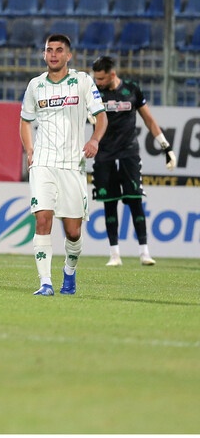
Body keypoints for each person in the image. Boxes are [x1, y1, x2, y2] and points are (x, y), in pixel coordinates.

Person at [19, 34, 107, 296]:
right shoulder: (36, 86)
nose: (54, 54)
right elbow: (25, 120)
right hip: (43, 162)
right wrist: (30, 149)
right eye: (49, 50)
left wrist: (94, 139)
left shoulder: (82, 82)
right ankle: (45, 282)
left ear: (69, 56)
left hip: (72, 164)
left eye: (59, 50)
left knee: (73, 231)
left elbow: (101, 117)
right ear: (44, 55)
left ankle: (69, 271)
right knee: (42, 219)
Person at [90, 56, 176, 267]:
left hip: (128, 153)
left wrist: (166, 146)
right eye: (96, 78)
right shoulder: (93, 93)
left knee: (135, 201)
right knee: (109, 203)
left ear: (112, 74)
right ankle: (114, 254)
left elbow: (149, 119)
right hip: (104, 154)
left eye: (101, 78)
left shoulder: (132, 90)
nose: (98, 82)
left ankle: (144, 252)